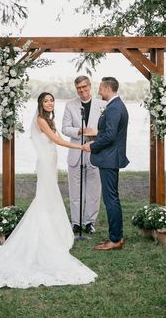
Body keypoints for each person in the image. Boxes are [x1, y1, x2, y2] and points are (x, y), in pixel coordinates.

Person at [0, 92, 97, 289]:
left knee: (50, 196)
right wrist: (80, 148)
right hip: (46, 162)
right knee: (45, 197)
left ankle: (53, 231)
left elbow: (57, 137)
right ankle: (44, 234)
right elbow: (56, 140)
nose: (50, 103)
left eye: (51, 100)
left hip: (50, 160)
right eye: (46, 101)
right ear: (41, 104)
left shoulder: (49, 119)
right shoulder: (41, 120)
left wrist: (81, 134)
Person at [83, 77, 129, 251]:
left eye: (101, 88)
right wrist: (97, 135)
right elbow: (109, 133)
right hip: (110, 157)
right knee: (112, 198)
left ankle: (115, 239)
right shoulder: (115, 106)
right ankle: (116, 236)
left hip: (109, 158)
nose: (99, 91)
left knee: (111, 199)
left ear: (108, 88)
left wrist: (92, 146)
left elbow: (109, 136)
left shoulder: (114, 108)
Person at [62, 76, 106, 234]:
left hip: (95, 152)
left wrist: (96, 134)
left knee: (94, 190)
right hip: (76, 152)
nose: (82, 90)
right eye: (78, 88)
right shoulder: (70, 105)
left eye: (84, 87)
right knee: (75, 190)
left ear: (90, 86)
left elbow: (107, 129)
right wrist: (79, 131)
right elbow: (65, 128)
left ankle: (89, 222)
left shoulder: (102, 105)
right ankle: (76, 222)